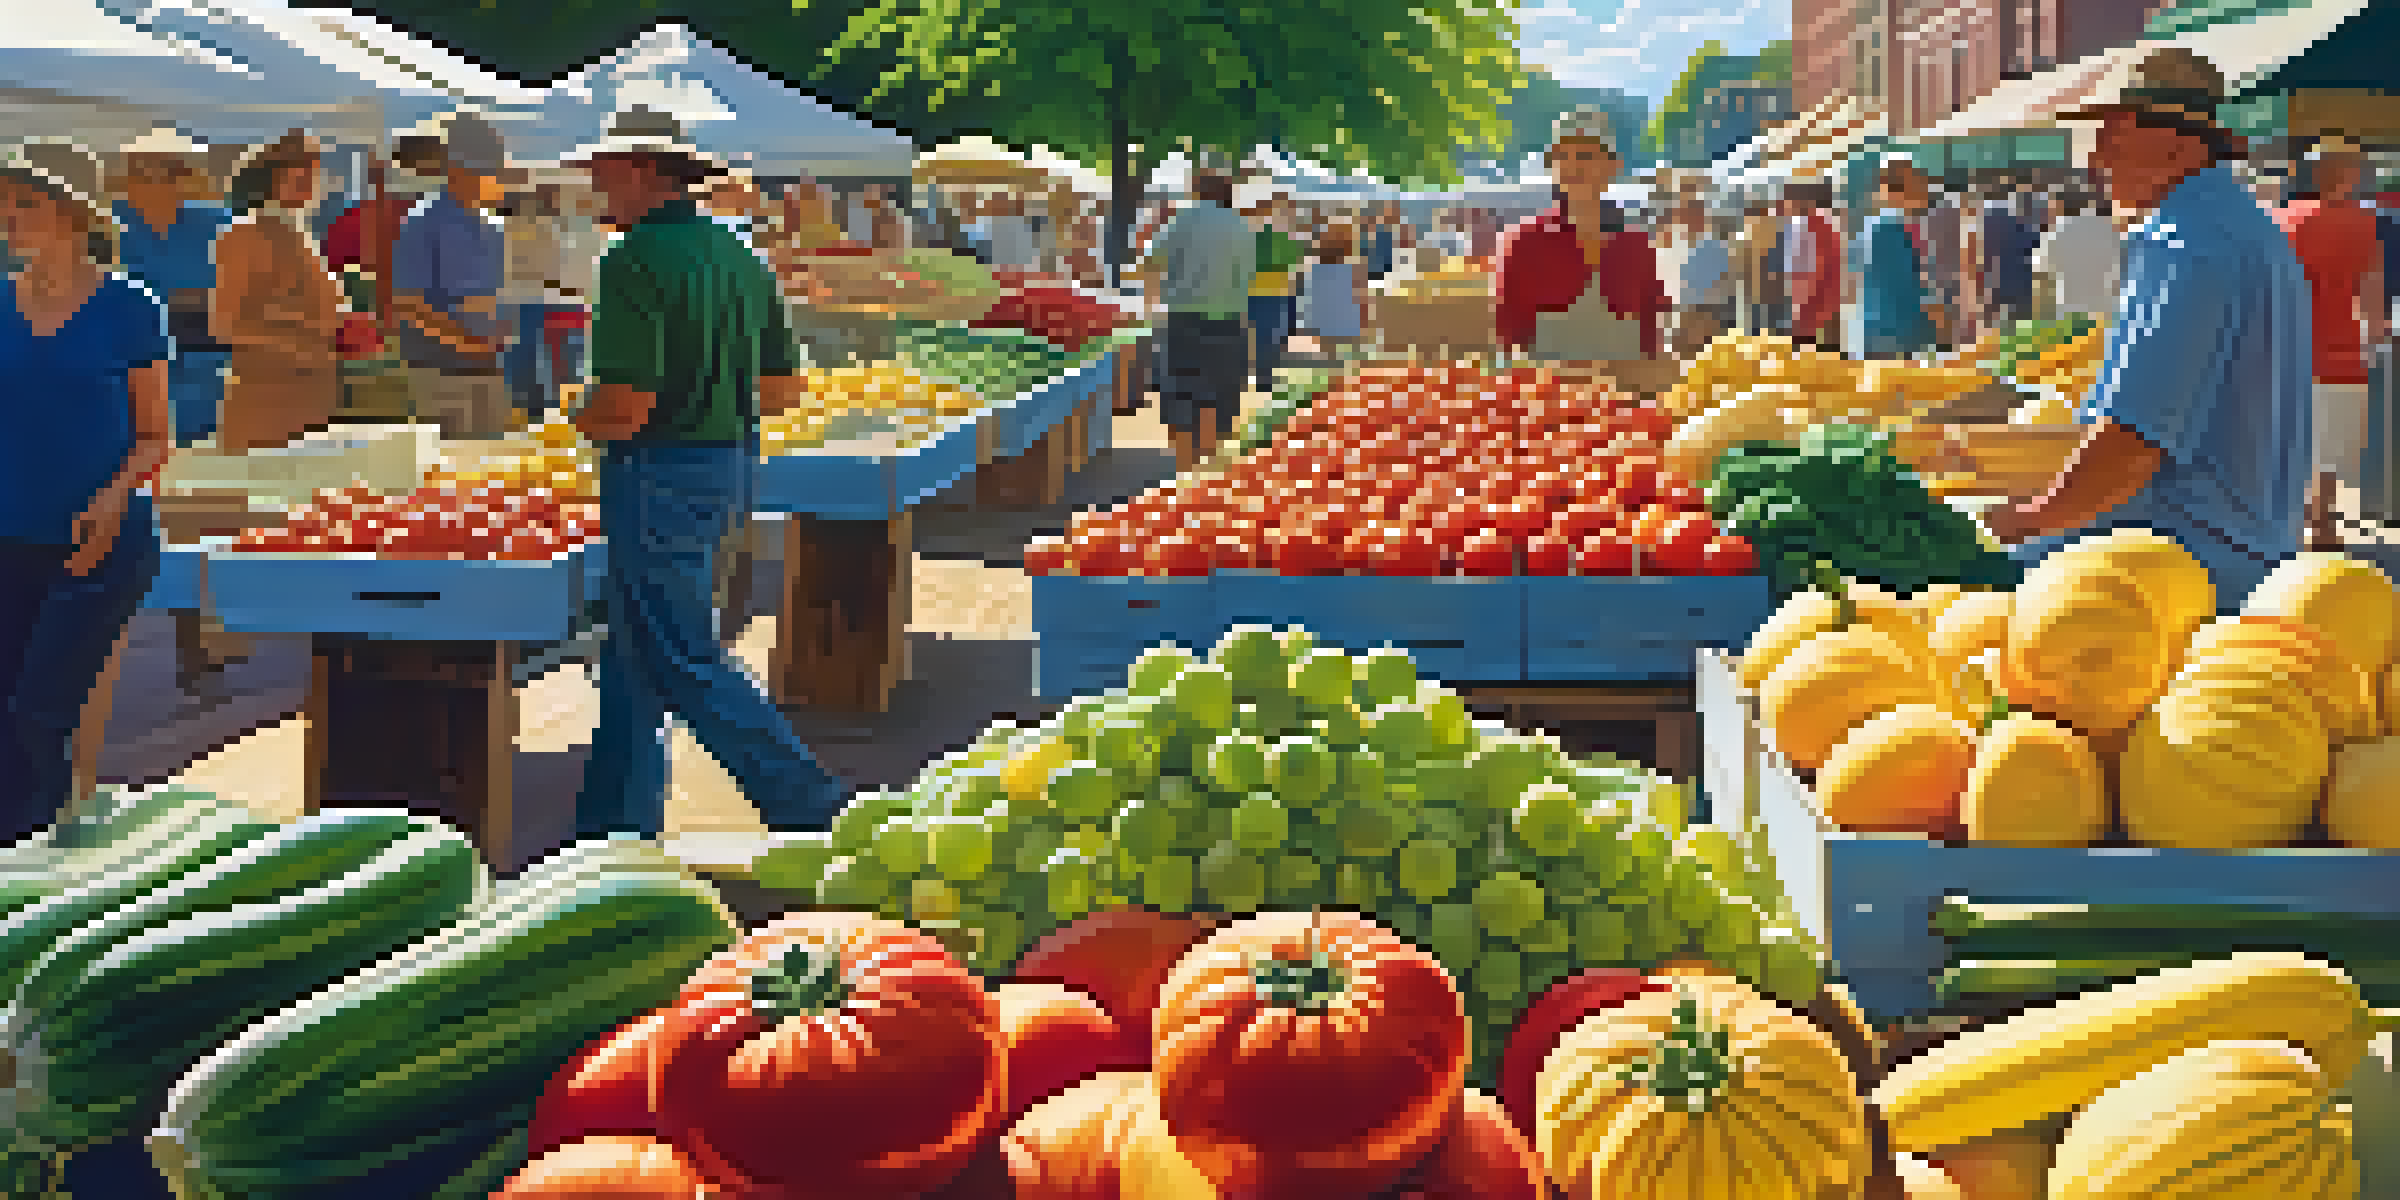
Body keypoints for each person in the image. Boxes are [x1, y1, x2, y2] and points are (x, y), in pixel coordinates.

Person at [562, 107, 849, 839]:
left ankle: (809, 801)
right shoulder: (738, 255)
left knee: (681, 652)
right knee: (633, 646)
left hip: (656, 467)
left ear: (648, 173)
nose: (597, 180)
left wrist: (577, 414)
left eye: (607, 167)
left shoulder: (630, 260)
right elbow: (784, 390)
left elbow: (625, 407)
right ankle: (614, 827)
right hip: (728, 463)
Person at [1982, 48, 2310, 611]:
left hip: (2177, 563)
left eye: (2114, 131)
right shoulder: (2247, 225)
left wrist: (2020, 522)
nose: (2095, 157)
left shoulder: (2181, 239)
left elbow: (2132, 449)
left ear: (2177, 144)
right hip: (2252, 554)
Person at [0, 141, 173, 838]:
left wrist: (112, 498)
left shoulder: (131, 308)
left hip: (97, 547)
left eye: (27, 205)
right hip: (8, 541)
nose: (10, 219)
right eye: (5, 206)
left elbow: (157, 436)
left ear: (76, 217)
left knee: (39, 712)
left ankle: (31, 863)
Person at [2275, 136, 2389, 551]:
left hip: (2285, 348)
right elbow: (2371, 294)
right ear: (2350, 177)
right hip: (2341, 348)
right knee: (2328, 444)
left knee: (2291, 435)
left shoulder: (2281, 220)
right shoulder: (2362, 225)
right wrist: (2377, 336)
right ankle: (2321, 522)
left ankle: (2289, 517)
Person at [1494, 109, 1667, 360]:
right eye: (1563, 157)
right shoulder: (1525, 243)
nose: (1573, 167)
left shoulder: (1636, 245)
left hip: (1627, 394)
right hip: (1547, 397)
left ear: (1611, 168)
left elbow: (1651, 336)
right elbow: (1508, 342)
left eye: (1585, 156)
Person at [211, 131, 342, 452]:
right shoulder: (244, 235)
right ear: (269, 178)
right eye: (295, 173)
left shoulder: (301, 235)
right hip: (264, 400)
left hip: (312, 397)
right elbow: (224, 324)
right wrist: (294, 347)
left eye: (311, 174)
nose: (306, 182)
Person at [392, 113, 512, 438]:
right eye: (487, 167)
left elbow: (491, 296)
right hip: (440, 369)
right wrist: (468, 341)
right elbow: (408, 303)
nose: (496, 175)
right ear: (456, 169)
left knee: (491, 469)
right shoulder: (424, 221)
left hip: (488, 367)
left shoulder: (493, 226)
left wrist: (501, 332)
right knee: (450, 472)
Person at [110, 127, 233, 446]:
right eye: (143, 173)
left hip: (204, 374)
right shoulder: (106, 226)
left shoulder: (219, 224)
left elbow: (253, 291)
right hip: (132, 374)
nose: (157, 183)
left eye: (168, 172)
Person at [1144, 163, 1254, 471]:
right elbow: (1244, 281)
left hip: (1183, 319)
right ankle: (1207, 474)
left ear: (1197, 190)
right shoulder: (1242, 227)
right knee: (1218, 393)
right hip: (1229, 321)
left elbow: (1150, 264)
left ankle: (1184, 469)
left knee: (1181, 393)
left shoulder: (1181, 221)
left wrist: (1152, 311)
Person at [1852, 158, 1941, 359]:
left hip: (1881, 328)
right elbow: (1906, 283)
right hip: (1896, 331)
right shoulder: (1891, 228)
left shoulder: (1876, 225)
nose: (1925, 195)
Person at [1242, 186, 1306, 394]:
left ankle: (1260, 376)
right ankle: (1264, 378)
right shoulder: (1285, 238)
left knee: (1259, 336)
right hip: (1276, 293)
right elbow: (1296, 267)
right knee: (1270, 337)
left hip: (1257, 293)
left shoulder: (1252, 236)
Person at [1656, 191, 1732, 358]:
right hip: (1677, 319)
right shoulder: (1668, 248)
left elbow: (1720, 288)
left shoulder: (1714, 248)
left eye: (1694, 213)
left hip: (1703, 316)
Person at [2033, 187, 2123, 319]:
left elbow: (2041, 267)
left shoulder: (2058, 231)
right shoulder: (2106, 227)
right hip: (2106, 306)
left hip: (2070, 307)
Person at [1783, 183, 1843, 349]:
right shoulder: (1830, 226)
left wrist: (1798, 304)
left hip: (1814, 309)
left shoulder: (1815, 227)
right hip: (1825, 307)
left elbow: (1812, 271)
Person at [1974, 182, 2039, 333]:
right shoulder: (2020, 216)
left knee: (1999, 325)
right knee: (2021, 322)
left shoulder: (1987, 217)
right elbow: (2032, 242)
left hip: (1996, 278)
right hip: (2018, 277)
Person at [1296, 221, 1367, 359]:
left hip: (1325, 330)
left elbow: (1309, 302)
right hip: (1343, 329)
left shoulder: (1314, 270)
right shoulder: (1353, 270)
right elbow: (1360, 299)